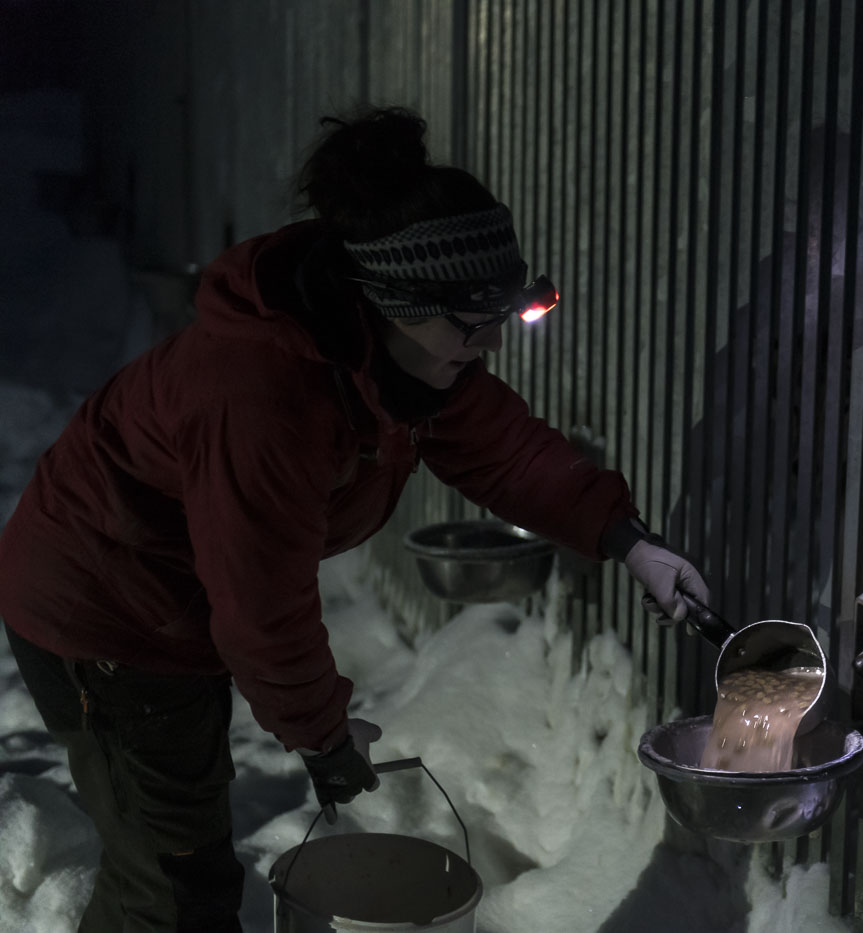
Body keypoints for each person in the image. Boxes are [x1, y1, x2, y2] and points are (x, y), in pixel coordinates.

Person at [0, 106, 709, 932]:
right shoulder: (265, 393)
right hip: (104, 616)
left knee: (179, 860)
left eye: (504, 318)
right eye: (472, 325)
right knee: (171, 887)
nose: (490, 347)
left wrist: (628, 540)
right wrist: (322, 735)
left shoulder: (394, 358)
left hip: (175, 607)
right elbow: (262, 603)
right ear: (393, 297)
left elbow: (508, 450)